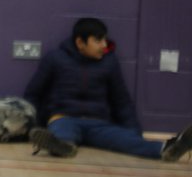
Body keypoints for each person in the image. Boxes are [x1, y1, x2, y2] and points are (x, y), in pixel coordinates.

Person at [24, 17, 192, 162]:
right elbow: (33, 94)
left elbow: (122, 101)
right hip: (63, 118)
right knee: (61, 132)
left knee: (128, 141)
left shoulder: (109, 62)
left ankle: (169, 148)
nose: (104, 45)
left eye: (104, 40)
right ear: (80, 43)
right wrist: (32, 126)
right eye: (98, 41)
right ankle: (61, 147)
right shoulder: (55, 59)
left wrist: (134, 133)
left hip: (99, 124)